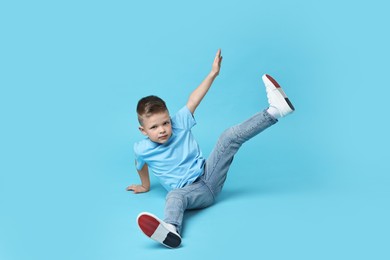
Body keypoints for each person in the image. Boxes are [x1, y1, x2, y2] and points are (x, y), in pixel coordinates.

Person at [126, 49, 295, 248]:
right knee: (174, 196)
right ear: (143, 130)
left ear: (170, 117)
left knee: (228, 137)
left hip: (209, 174)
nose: (162, 130)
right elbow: (141, 166)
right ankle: (171, 230)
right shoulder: (141, 149)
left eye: (165, 123)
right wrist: (145, 186)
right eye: (154, 127)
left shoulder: (179, 122)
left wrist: (213, 73)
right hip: (193, 193)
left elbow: (193, 99)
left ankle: (275, 111)